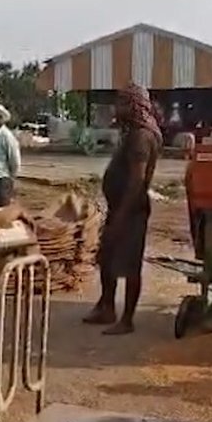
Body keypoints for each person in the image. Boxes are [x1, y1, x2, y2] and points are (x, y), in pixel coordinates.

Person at [83, 83, 162, 335]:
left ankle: (127, 320)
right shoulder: (132, 133)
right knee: (107, 256)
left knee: (130, 265)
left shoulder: (142, 136)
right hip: (120, 207)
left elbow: (137, 181)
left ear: (134, 105)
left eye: (122, 102)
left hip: (131, 210)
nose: (117, 108)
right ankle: (106, 306)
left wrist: (121, 216)